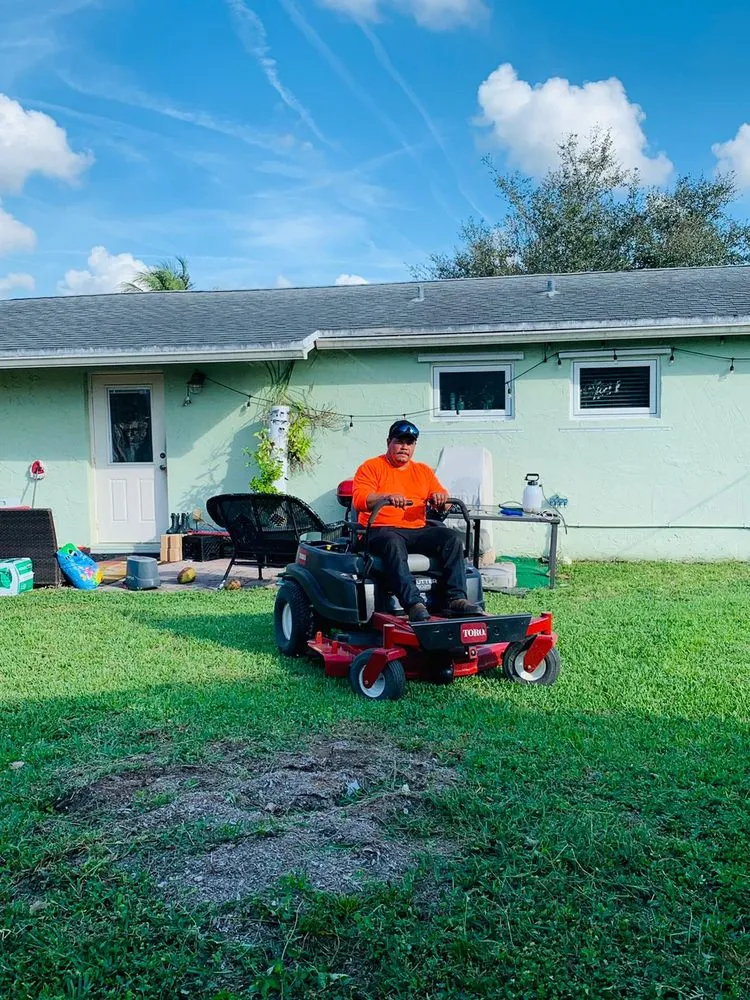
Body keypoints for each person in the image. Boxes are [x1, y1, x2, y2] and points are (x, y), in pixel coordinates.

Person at [351, 420, 484, 622]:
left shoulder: (422, 471)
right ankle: (413, 604)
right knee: (393, 543)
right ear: (389, 442)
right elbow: (360, 499)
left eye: (410, 442)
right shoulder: (371, 467)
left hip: (416, 529)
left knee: (451, 538)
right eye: (400, 441)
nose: (404, 446)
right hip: (380, 529)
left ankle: (455, 599)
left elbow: (443, 500)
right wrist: (386, 497)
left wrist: (441, 500)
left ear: (414, 446)